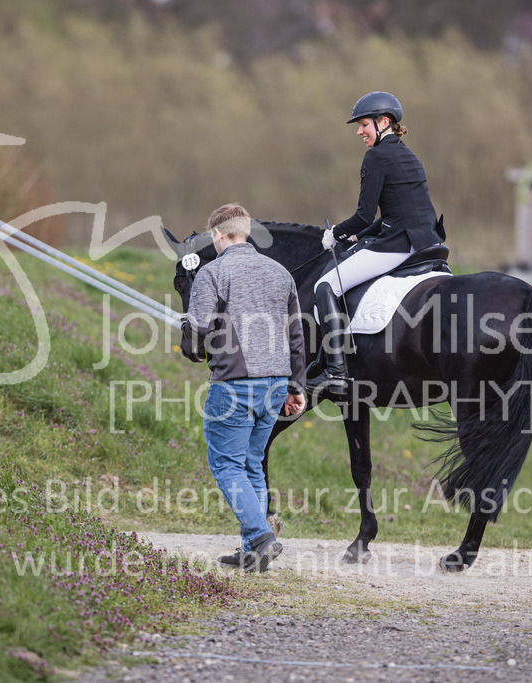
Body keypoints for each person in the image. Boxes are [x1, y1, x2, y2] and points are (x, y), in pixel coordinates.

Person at [180, 203, 307, 572]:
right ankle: (253, 552)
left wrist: (190, 340)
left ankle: (261, 536)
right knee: (252, 463)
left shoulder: (214, 271)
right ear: (245, 232)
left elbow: (200, 328)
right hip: (276, 384)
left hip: (235, 384)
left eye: (213, 237)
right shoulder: (280, 272)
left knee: (226, 464)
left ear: (218, 236)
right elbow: (296, 334)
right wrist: (295, 386)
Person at [310, 91, 445, 397]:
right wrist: (360, 236)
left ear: (384, 122)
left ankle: (336, 372)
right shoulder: (409, 155)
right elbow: (400, 210)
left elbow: (362, 215)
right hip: (425, 241)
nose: (359, 132)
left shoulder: (376, 156)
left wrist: (337, 234)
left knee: (325, 287)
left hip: (398, 245)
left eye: (364, 125)